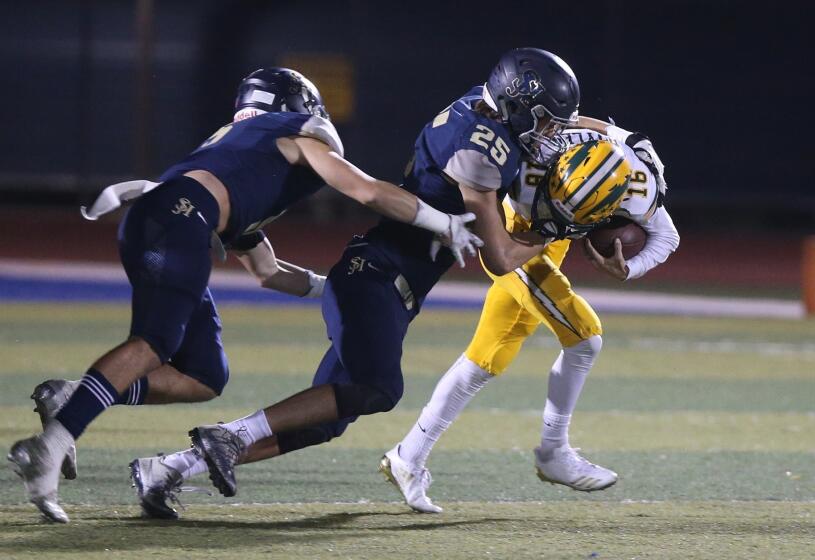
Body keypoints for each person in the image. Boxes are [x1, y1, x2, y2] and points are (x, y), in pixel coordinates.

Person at [7, 67, 485, 524]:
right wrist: (441, 221)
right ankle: (51, 444)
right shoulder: (298, 134)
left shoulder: (244, 156)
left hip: (172, 217)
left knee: (204, 375)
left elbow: (268, 272)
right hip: (179, 217)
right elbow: (364, 191)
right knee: (153, 342)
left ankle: (72, 396)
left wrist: (328, 286)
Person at [128, 47, 586, 519]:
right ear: (515, 104)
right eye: (547, 122)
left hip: (381, 280)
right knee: (378, 388)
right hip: (378, 276)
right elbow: (501, 255)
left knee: (327, 420)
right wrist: (567, 227)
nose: (552, 134)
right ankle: (230, 436)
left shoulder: (482, 108)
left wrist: (610, 134)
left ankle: (167, 468)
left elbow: (544, 139)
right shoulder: (481, 153)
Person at [380, 125, 680, 513]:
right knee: (585, 337)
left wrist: (628, 268)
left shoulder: (636, 189)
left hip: (552, 248)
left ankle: (407, 456)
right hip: (514, 239)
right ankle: (554, 451)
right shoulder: (532, 165)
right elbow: (499, 247)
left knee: (485, 359)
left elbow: (667, 236)